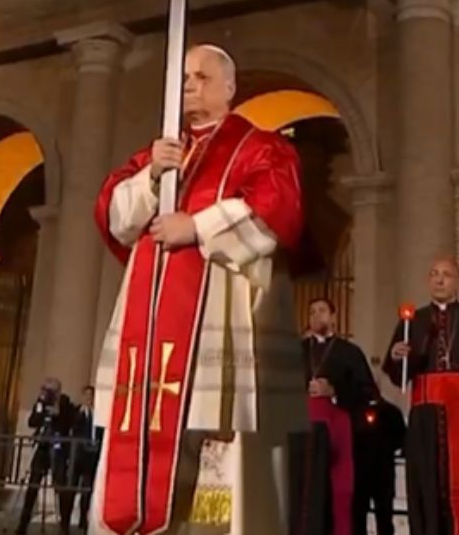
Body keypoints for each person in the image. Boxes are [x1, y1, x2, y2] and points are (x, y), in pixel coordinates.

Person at [92, 44, 305, 535]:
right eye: (183, 77)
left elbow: (276, 211)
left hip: (217, 331)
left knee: (216, 452)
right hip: (148, 336)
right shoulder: (158, 153)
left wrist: (198, 226)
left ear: (230, 87)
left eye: (201, 76)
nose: (189, 84)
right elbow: (114, 217)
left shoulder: (260, 148)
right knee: (140, 437)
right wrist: (151, 176)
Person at [382, 256, 459, 535]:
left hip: (457, 413)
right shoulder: (412, 321)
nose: (439, 279)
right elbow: (397, 375)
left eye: (446, 275)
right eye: (434, 274)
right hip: (424, 415)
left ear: (456, 282)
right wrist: (396, 356)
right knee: (424, 481)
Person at [301, 297, 374, 535]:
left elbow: (367, 391)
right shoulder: (298, 350)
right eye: (312, 311)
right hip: (302, 430)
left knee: (336, 491)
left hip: (337, 429)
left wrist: (334, 391)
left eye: (322, 310)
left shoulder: (350, 352)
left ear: (333, 317)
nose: (316, 315)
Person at [15, 378, 76, 535]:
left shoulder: (66, 404)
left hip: (58, 450)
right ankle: (23, 525)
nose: (47, 394)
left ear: (58, 391)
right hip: (42, 448)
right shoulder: (41, 403)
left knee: (61, 488)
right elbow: (32, 422)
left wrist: (58, 414)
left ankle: (64, 526)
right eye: (45, 389)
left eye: (50, 391)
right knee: (33, 486)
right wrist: (41, 410)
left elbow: (69, 424)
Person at [353, 364, 404, 535]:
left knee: (382, 518)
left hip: (378, 474)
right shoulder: (355, 411)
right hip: (366, 474)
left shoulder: (391, 412)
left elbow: (400, 440)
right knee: (363, 518)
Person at [67, 385, 102, 531]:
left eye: (91, 396)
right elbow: (72, 429)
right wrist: (80, 413)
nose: (89, 398)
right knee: (71, 489)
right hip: (77, 455)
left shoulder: (97, 414)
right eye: (86, 395)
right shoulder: (77, 412)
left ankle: (83, 518)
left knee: (87, 491)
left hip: (90, 457)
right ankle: (66, 520)